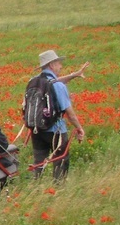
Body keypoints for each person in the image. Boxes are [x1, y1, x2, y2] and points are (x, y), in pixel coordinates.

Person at [30, 50, 85, 180]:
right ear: (52, 65)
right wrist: (79, 128)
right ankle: (58, 189)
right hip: (56, 130)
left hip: (36, 128)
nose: (61, 66)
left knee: (39, 162)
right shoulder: (58, 86)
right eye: (59, 63)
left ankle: (35, 188)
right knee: (61, 160)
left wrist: (74, 75)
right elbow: (70, 114)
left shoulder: (33, 81)